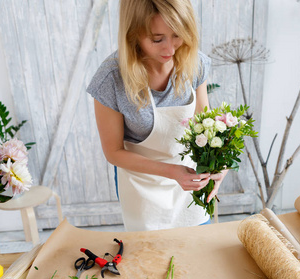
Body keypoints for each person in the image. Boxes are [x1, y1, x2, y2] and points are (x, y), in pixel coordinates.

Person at [87, 0, 227, 231]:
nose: (170, 49)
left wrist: (218, 165)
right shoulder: (111, 79)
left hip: (189, 180)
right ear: (134, 33)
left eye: (177, 35)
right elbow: (113, 152)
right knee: (151, 257)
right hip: (141, 185)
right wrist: (171, 172)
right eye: (157, 39)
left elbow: (206, 123)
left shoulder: (194, 62)